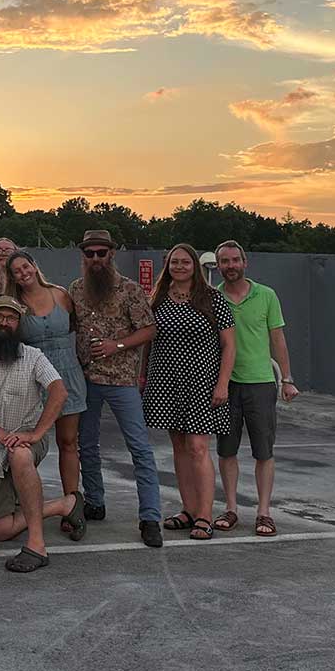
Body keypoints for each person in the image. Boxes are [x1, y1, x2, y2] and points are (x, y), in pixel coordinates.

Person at [0, 296, 79, 573]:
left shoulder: (34, 356)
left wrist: (36, 433)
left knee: (20, 455)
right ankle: (64, 504)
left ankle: (37, 545)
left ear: (19, 323)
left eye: (11, 318)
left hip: (26, 442)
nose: (4, 323)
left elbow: (59, 392)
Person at [70, 229, 164, 547]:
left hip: (122, 381)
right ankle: (95, 501)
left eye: (101, 252)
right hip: (86, 380)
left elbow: (149, 330)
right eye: (90, 253)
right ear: (83, 256)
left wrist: (117, 345)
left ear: (112, 254)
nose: (95, 258)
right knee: (87, 446)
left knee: (139, 448)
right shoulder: (75, 290)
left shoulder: (130, 289)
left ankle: (150, 517)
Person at [142, 243, 236, 542]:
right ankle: (189, 509)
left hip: (201, 383)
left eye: (185, 262)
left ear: (195, 265)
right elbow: (148, 341)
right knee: (179, 447)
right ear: (167, 265)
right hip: (166, 382)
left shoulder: (212, 298)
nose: (179, 267)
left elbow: (229, 345)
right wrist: (142, 375)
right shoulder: (157, 299)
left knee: (197, 447)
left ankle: (205, 515)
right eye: (174, 262)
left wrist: (222, 383)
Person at [212, 241, 298, 537]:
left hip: (260, 383)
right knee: (226, 450)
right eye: (225, 261)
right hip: (225, 384)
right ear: (218, 266)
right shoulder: (213, 298)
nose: (231, 266)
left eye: (235, 260)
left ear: (245, 262)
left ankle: (264, 512)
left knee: (263, 451)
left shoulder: (267, 295)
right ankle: (231, 508)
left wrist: (287, 379)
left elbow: (278, 339)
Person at [5, 249, 87, 537]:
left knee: (68, 442)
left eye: (25, 266)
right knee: (28, 444)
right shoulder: (15, 304)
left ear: (34, 265)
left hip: (68, 375)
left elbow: (79, 327)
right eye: (16, 271)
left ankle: (72, 504)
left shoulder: (61, 295)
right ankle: (22, 501)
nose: (23, 273)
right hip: (33, 380)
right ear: (12, 277)